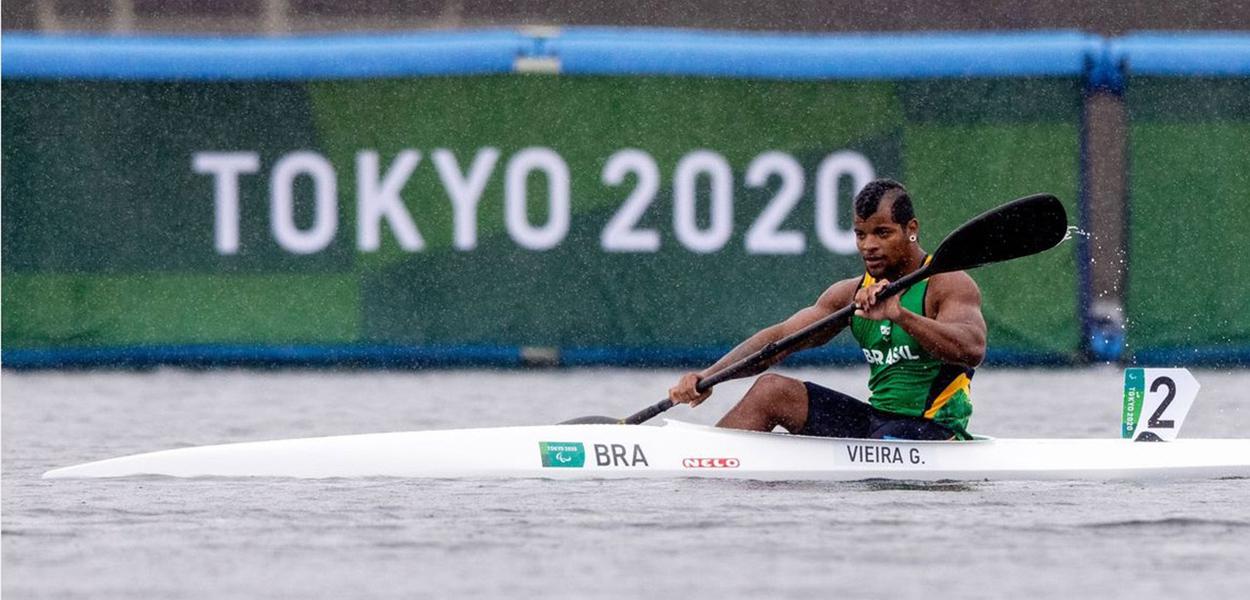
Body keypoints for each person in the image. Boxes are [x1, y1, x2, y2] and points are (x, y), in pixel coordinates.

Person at [668, 179, 986, 440]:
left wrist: (901, 315)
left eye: (882, 233)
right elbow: (777, 341)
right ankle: (703, 461)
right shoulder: (850, 294)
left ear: (910, 229)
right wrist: (708, 376)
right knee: (772, 390)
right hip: (878, 424)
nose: (868, 245)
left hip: (933, 431)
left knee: (888, 435)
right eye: (860, 234)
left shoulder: (947, 284)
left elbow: (972, 348)